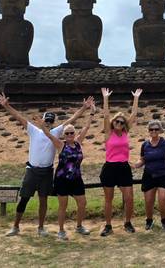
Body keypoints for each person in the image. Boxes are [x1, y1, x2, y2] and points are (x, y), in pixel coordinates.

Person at [0, 92, 94, 237]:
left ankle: (41, 228)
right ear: (42, 120)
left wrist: (84, 108)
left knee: (43, 200)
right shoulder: (33, 130)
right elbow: (19, 117)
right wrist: (6, 106)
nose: (47, 122)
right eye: (46, 120)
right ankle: (16, 226)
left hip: (47, 171)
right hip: (32, 170)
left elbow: (72, 119)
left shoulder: (56, 132)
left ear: (52, 122)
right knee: (24, 198)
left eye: (50, 120)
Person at [33, 101, 96, 240]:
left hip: (76, 178)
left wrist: (92, 112)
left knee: (82, 203)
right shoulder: (60, 145)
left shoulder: (78, 143)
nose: (69, 135)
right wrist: (41, 124)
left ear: (74, 133)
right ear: (64, 135)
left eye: (71, 132)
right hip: (62, 179)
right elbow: (48, 135)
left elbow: (86, 127)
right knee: (63, 205)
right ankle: (61, 230)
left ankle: (79, 226)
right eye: (67, 133)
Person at [99, 87, 142, 236]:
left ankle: (128, 222)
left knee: (129, 197)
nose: (119, 124)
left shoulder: (125, 132)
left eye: (122, 122)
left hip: (124, 167)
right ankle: (108, 226)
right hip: (110, 168)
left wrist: (136, 97)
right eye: (117, 121)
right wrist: (105, 98)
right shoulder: (109, 133)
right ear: (113, 123)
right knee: (109, 199)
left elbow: (134, 114)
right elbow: (105, 116)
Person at [133, 120, 165, 230]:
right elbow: (142, 159)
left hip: (164, 175)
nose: (153, 131)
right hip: (149, 176)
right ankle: (149, 220)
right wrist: (135, 165)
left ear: (160, 130)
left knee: (162, 199)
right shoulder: (145, 145)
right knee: (148, 201)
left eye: (156, 129)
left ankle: (164, 220)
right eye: (151, 129)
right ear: (148, 131)